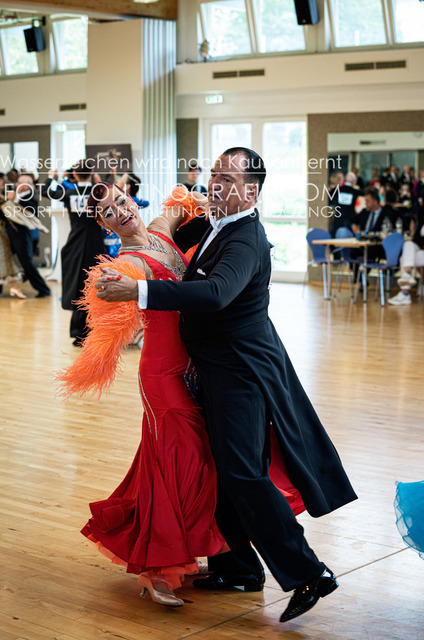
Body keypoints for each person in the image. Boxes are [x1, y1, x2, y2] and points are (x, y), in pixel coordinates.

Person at [95, 147, 358, 624]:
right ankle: (237, 568)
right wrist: (138, 218)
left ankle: (309, 573)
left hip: (241, 373)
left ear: (251, 191)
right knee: (223, 471)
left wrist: (139, 290)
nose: (215, 184)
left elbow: (216, 294)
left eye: (227, 179)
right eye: (214, 174)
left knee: (243, 474)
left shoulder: (245, 239)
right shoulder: (216, 224)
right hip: (210, 371)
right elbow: (160, 235)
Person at [57, 183, 305, 608]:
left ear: (132, 200)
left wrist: (211, 201)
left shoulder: (160, 229)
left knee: (209, 465)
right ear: (103, 224)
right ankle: (159, 570)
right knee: (177, 467)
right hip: (163, 374)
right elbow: (112, 301)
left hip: (197, 369)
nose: (121, 212)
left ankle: (224, 560)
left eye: (122, 201)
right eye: (109, 212)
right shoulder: (130, 263)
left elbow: (184, 202)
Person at [43, 160, 105, 345]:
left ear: (75, 175)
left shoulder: (70, 193)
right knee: (94, 284)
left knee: (77, 285)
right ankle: (94, 330)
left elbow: (47, 191)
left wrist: (51, 177)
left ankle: (78, 332)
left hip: (75, 244)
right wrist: (99, 183)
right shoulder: (99, 193)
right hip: (95, 243)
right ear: (92, 172)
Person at [2, 173, 50, 298]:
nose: (17, 184)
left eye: (20, 183)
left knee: (26, 262)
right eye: (17, 182)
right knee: (5, 259)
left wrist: (14, 200)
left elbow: (30, 211)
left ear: (27, 185)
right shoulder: (16, 195)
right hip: (10, 233)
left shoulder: (30, 196)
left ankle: (43, 289)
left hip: (21, 235)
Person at [388, 210, 424, 305]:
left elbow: (419, 240)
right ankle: (407, 275)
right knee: (408, 244)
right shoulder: (423, 219)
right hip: (423, 251)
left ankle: (405, 293)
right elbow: (416, 239)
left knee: (404, 259)